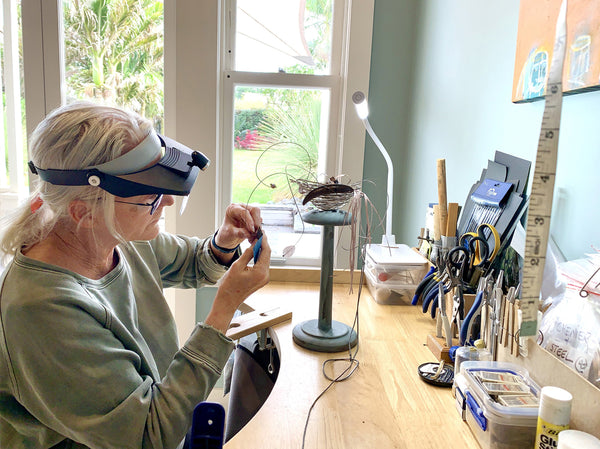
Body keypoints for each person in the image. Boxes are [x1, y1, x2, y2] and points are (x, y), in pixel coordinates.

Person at [0, 102, 271, 449]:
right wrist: (225, 308)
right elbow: (148, 436)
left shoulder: (112, 237)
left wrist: (223, 242)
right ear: (85, 212)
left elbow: (194, 262)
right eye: (151, 197)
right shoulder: (40, 309)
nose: (167, 204)